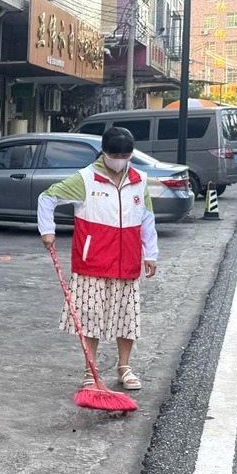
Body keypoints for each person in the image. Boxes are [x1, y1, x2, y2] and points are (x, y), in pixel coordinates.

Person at [38, 127, 158, 391]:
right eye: (115, 155)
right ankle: (90, 371)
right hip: (92, 262)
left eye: (125, 155)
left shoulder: (139, 180)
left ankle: (124, 367)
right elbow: (47, 198)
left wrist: (150, 253)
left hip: (127, 260)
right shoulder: (85, 178)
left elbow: (147, 218)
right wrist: (47, 230)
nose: (120, 160)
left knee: (126, 318)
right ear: (104, 153)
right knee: (91, 317)